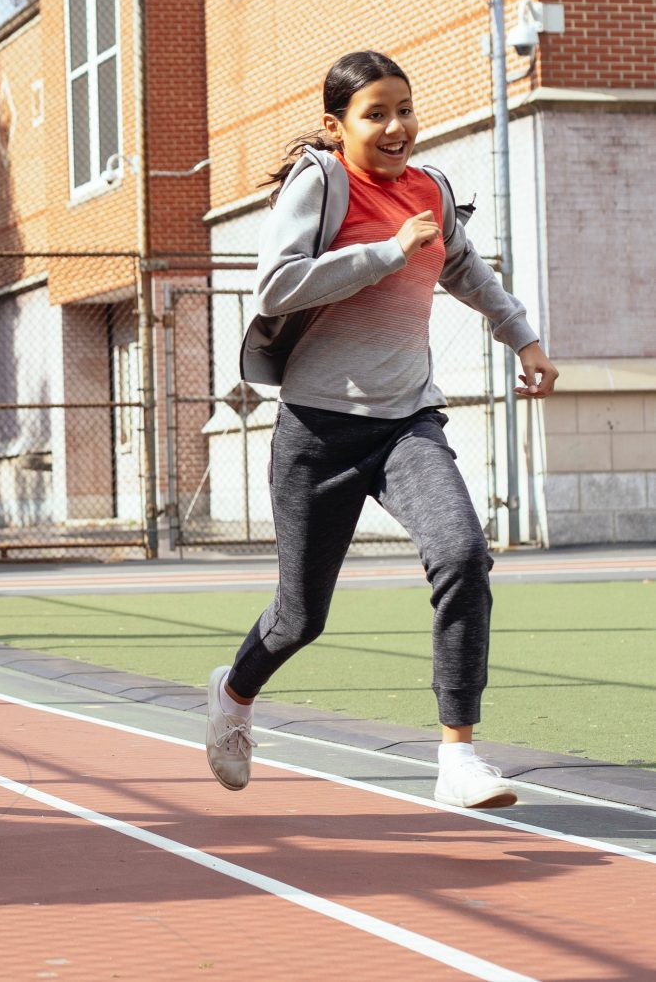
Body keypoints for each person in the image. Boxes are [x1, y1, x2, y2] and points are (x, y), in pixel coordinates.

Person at [206, 51, 558, 809]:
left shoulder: (430, 189)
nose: (397, 126)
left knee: (463, 554)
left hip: (407, 422)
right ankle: (233, 696)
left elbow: (463, 268)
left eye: (405, 108)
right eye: (376, 113)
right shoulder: (322, 182)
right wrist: (383, 253)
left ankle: (458, 757)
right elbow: (276, 285)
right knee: (301, 617)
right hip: (318, 429)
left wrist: (522, 336)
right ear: (337, 127)